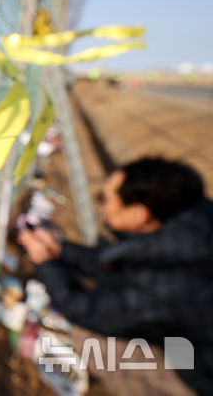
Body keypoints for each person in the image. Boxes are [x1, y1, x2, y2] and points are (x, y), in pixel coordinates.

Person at [18, 157, 213, 394]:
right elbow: (121, 264)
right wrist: (60, 249)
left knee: (92, 342)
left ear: (138, 214)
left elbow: (83, 308)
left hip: (202, 369)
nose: (100, 202)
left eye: (104, 198)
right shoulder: (193, 220)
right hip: (194, 333)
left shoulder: (167, 288)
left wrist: (44, 260)